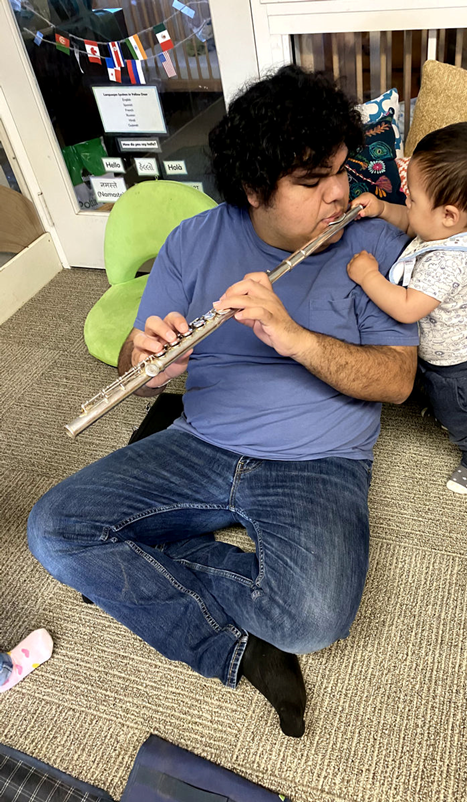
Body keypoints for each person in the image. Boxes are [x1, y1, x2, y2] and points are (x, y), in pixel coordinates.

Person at [27, 65, 419, 738]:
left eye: (339, 170)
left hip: (318, 460)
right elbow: (136, 361)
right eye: (311, 181)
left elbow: (397, 380)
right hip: (199, 440)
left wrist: (296, 338)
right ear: (252, 189)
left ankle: (140, 575)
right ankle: (237, 647)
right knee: (54, 530)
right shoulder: (193, 240)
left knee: (315, 621)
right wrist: (146, 360)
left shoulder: (373, 241)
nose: (338, 193)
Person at [347, 121, 467, 494]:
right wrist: (382, 207)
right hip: (451, 356)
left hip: (460, 371)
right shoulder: (449, 226)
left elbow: (406, 308)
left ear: (449, 215)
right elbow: (414, 222)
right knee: (434, 396)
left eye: (413, 198)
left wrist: (369, 276)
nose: (408, 202)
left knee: (463, 419)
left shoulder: (450, 260)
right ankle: (445, 411)